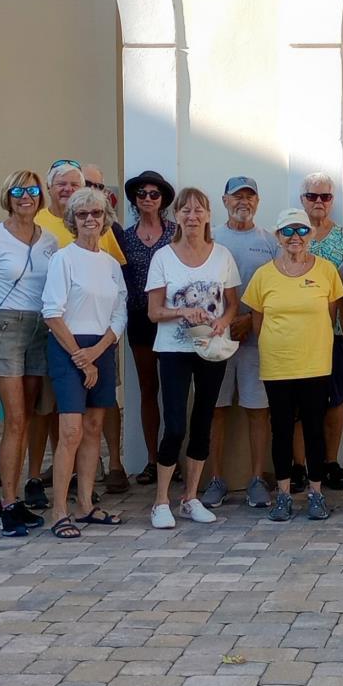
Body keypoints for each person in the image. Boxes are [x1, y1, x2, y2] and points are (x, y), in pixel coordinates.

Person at [243, 208, 343, 522]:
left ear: (311, 235)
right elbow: (257, 322)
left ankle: (316, 494)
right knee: (282, 432)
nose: (295, 237)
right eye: (288, 231)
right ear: (278, 236)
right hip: (278, 366)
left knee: (315, 430)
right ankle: (284, 496)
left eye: (301, 230)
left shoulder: (327, 271)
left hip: (315, 365)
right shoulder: (264, 275)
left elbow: (332, 316)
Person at [28, 161, 125, 498]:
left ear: (105, 219)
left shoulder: (112, 265)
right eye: (82, 215)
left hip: (102, 349)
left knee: (94, 428)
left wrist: (97, 353)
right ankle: (60, 509)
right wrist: (82, 359)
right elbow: (52, 314)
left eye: (96, 214)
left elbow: (119, 314)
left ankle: (85, 503)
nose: (89, 220)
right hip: (69, 349)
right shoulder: (63, 259)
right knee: (70, 430)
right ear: (72, 220)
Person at [146, 186, 241, 528]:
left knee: (203, 421)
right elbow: (154, 312)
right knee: (174, 425)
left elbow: (233, 304)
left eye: (198, 209)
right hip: (173, 350)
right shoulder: (163, 258)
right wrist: (183, 312)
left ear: (208, 215)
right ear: (175, 216)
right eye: (184, 210)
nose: (192, 216)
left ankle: (191, 497)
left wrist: (223, 322)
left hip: (212, 349)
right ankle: (160, 501)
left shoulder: (222, 255)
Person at [0, 170, 57, 537]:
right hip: (5, 328)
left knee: (34, 415)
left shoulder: (49, 240)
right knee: (16, 419)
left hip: (40, 328)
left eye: (33, 190)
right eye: (19, 190)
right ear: (8, 196)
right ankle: (7, 502)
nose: (27, 197)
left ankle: (16, 494)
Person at [207, 176, 280, 510]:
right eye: (237, 196)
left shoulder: (270, 242)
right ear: (224, 201)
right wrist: (222, 324)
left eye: (250, 197)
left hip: (255, 338)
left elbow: (277, 289)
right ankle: (216, 480)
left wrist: (250, 322)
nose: (243, 202)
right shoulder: (211, 239)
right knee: (216, 410)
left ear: (258, 202)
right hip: (214, 338)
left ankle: (255, 479)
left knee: (257, 411)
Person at [115, 170, 175, 487]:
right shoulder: (124, 237)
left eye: (154, 193)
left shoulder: (176, 233)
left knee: (177, 390)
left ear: (163, 199)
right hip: (139, 318)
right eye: (142, 194)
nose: (148, 199)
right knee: (148, 389)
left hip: (173, 318)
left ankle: (173, 456)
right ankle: (153, 460)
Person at [301, 172, 343, 490]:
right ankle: (300, 465)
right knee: (300, 400)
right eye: (313, 196)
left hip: (335, 330)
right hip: (298, 332)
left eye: (325, 197)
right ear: (303, 200)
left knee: (335, 399)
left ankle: (330, 461)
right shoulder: (291, 234)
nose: (319, 202)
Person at [79, 163, 131, 493]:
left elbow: (118, 288)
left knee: (105, 401)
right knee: (65, 408)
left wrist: (107, 338)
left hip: (104, 335)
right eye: (87, 184)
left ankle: (113, 462)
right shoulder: (45, 222)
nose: (94, 192)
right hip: (65, 336)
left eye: (100, 187)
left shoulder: (110, 232)